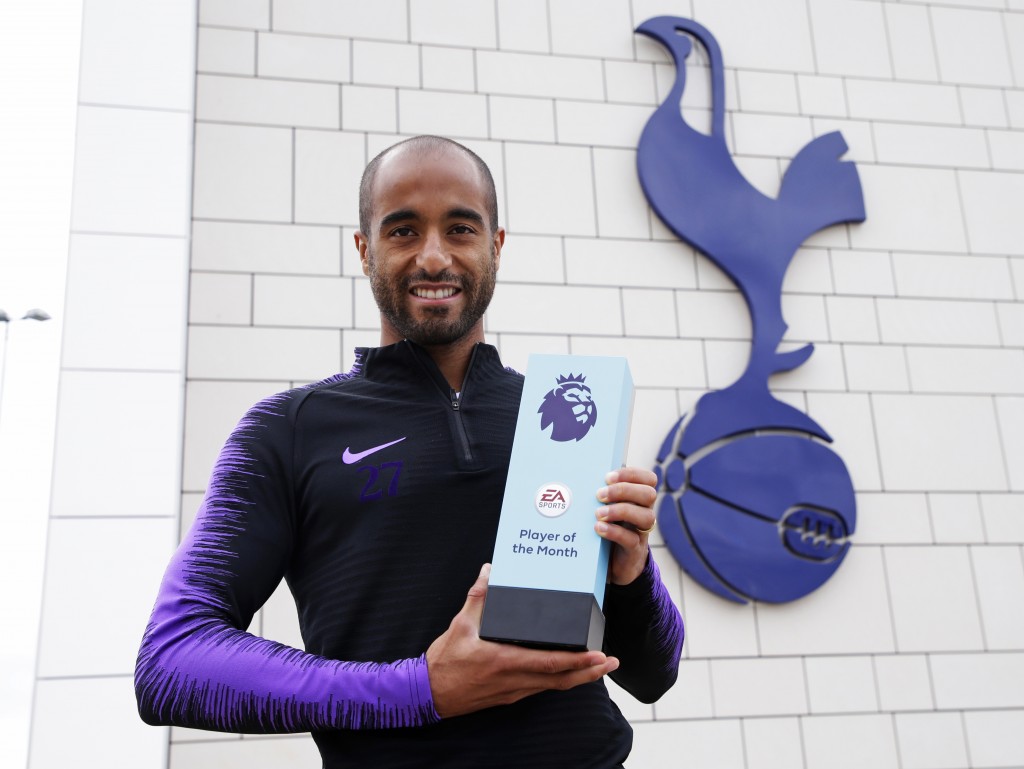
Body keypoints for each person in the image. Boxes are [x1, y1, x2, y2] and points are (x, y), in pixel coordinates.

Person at [135, 135, 684, 768]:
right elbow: (171, 661)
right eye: (402, 231)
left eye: (459, 228)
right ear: (364, 249)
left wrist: (632, 577)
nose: (433, 257)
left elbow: (654, 675)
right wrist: (422, 690)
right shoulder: (285, 430)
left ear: (495, 246)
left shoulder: (564, 415)